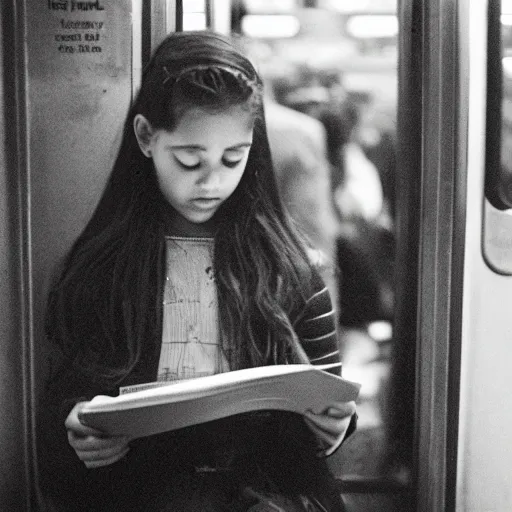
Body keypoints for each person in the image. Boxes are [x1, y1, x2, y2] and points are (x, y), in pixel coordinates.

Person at [36, 31, 357, 512]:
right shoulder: (105, 266)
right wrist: (78, 426)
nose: (212, 181)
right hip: (143, 489)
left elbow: (326, 389)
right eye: (190, 160)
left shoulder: (288, 266)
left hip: (264, 489)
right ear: (146, 137)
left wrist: (335, 425)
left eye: (233, 159)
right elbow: (68, 396)